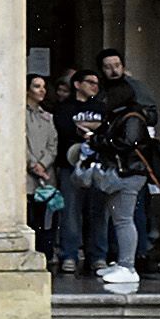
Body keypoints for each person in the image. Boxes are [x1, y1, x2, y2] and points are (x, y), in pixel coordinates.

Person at [83, 79, 157, 287]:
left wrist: (97, 141)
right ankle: (123, 263)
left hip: (129, 173)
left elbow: (127, 143)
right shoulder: (121, 116)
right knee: (120, 219)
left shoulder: (132, 117)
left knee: (124, 220)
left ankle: (128, 266)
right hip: (125, 172)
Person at [54, 68, 107, 274]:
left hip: (98, 164)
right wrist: (92, 127)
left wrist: (85, 126)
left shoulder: (102, 107)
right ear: (77, 84)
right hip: (71, 165)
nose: (94, 86)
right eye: (90, 82)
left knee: (98, 212)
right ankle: (69, 255)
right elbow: (66, 130)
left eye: (96, 83)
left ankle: (98, 256)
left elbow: (106, 129)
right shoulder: (64, 107)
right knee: (70, 213)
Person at [24, 73, 59, 260]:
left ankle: (45, 253)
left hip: (45, 176)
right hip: (27, 176)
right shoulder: (19, 115)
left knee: (44, 218)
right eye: (37, 86)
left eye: (44, 86)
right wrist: (32, 164)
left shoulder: (48, 117)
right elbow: (19, 142)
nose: (42, 90)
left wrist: (43, 164)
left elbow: (53, 145)